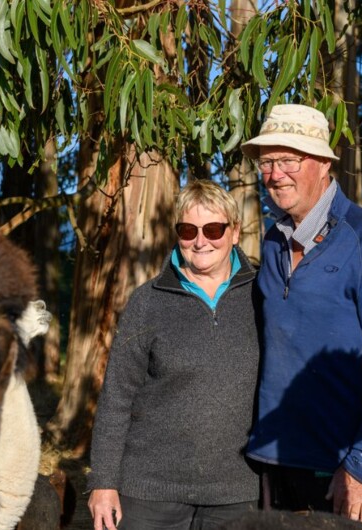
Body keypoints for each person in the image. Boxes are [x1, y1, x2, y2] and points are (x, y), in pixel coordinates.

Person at [241, 104, 362, 522]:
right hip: (276, 464)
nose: (275, 174)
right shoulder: (272, 242)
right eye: (267, 163)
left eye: (288, 160)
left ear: (322, 163)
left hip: (344, 473)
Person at [87, 180, 260, 530]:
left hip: (236, 492)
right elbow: (116, 398)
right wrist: (103, 482)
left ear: (235, 232)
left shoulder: (262, 297)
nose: (200, 241)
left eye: (213, 229)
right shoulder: (147, 302)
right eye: (188, 230)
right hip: (149, 493)